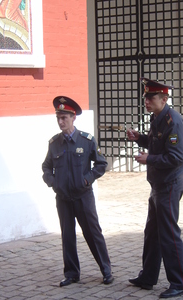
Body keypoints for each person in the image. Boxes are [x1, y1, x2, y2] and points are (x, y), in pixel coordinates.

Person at [127, 78, 183, 298]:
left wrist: (149, 159)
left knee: (169, 234)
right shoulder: (157, 118)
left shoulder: (173, 121)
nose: (146, 101)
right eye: (145, 97)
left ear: (164, 99)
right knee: (152, 233)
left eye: (151, 97)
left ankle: (180, 282)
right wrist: (140, 139)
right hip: (157, 185)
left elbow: (177, 157)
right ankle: (148, 277)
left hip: (169, 185)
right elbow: (157, 144)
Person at [42, 96, 114, 287]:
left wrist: (86, 179)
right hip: (63, 198)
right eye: (58, 117)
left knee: (93, 233)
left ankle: (106, 270)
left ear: (73, 118)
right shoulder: (54, 143)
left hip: (83, 197)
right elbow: (46, 167)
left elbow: (101, 164)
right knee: (67, 236)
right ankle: (72, 273)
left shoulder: (87, 140)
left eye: (64, 117)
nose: (60, 121)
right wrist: (53, 182)